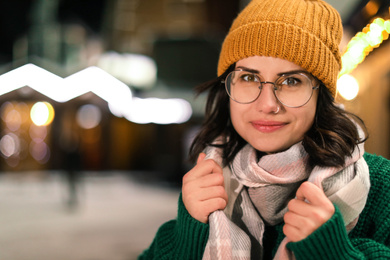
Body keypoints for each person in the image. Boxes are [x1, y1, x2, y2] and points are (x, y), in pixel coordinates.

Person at [139, 0, 390, 259]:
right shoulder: (211, 178)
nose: (268, 104)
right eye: (249, 78)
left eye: (291, 81)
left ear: (320, 95)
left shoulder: (382, 187)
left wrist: (334, 253)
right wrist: (188, 232)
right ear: (229, 86)